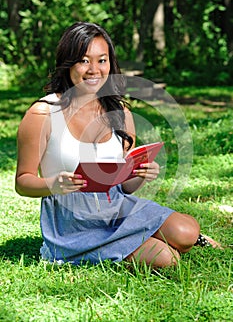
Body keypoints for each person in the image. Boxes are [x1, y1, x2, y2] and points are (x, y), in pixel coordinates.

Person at [15, 21, 220, 268]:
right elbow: (22, 181)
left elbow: (123, 186)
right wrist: (53, 184)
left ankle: (149, 237)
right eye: (83, 60)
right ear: (68, 63)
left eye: (102, 60)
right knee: (167, 259)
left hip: (117, 208)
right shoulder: (43, 113)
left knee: (186, 232)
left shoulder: (119, 111)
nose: (94, 69)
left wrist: (141, 174)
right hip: (73, 220)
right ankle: (116, 245)